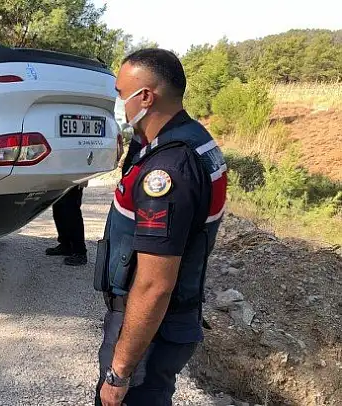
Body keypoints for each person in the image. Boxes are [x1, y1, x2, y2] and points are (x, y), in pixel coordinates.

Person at [94, 48, 228, 406]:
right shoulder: (188, 139)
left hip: (151, 331)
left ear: (146, 98)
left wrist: (120, 372)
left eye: (121, 94)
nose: (118, 104)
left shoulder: (167, 171)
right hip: (164, 323)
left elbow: (154, 285)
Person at [46, 183, 88, 266]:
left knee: (70, 211)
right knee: (58, 208)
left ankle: (80, 252)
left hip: (73, 179)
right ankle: (66, 245)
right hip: (58, 178)